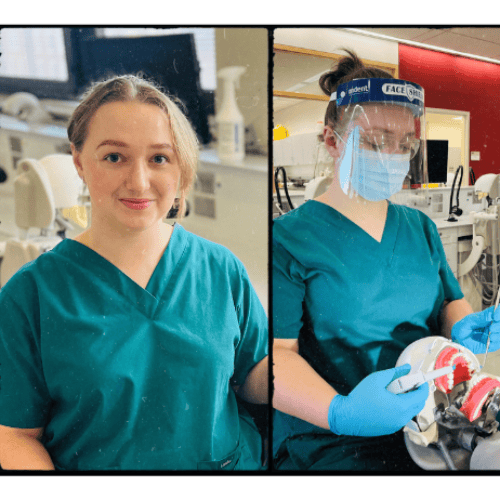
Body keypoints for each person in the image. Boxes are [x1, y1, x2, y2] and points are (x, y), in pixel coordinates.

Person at [0, 75, 268, 471]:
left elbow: (252, 375)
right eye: (114, 157)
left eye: (159, 158)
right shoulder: (31, 295)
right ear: (79, 161)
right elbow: (14, 436)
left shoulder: (220, 268)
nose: (139, 182)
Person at [272, 51, 500, 471]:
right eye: (375, 141)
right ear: (330, 139)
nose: (392, 155)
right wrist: (342, 412)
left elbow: (448, 304)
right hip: (336, 440)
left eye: (404, 144)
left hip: (432, 424)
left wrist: (465, 330)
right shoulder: (289, 240)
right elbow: (276, 357)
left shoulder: (419, 227)